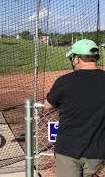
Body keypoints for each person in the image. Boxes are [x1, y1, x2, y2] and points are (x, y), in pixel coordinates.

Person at [44, 39, 105, 177]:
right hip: (97, 151)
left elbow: (47, 106)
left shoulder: (65, 81)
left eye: (73, 58)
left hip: (68, 149)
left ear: (77, 59)